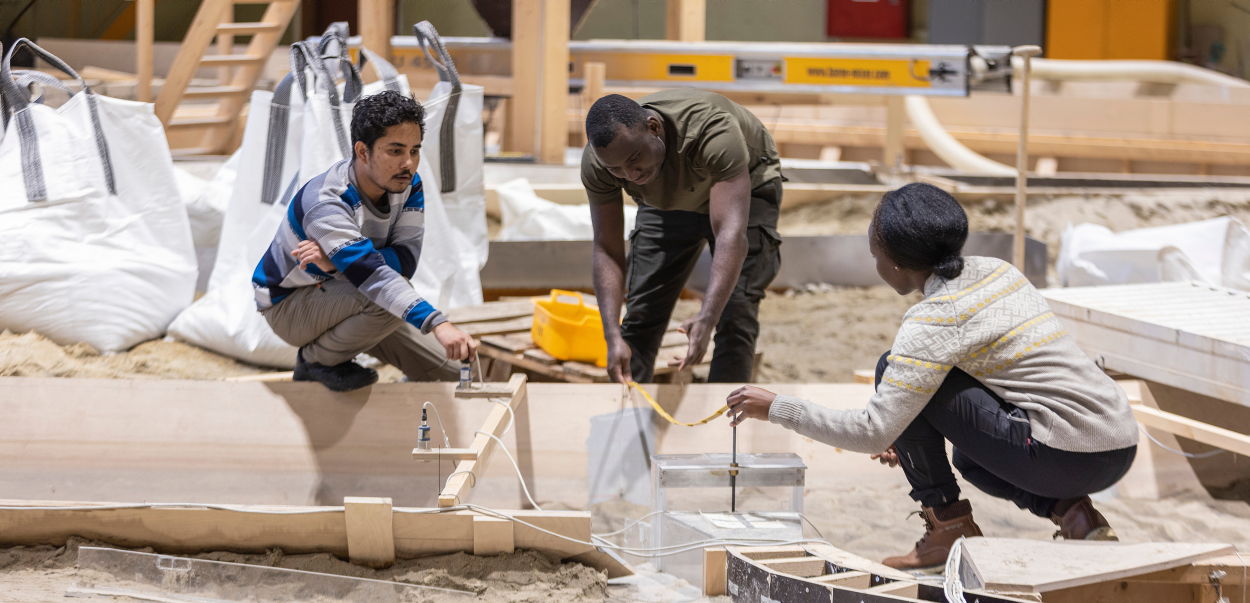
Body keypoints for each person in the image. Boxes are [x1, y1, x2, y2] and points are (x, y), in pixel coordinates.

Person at [724, 183, 1139, 571]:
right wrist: (904, 429)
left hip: (1065, 454)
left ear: (896, 263)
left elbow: (870, 431)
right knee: (969, 461)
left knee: (893, 368)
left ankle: (948, 525)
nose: (876, 263)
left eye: (875, 255)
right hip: (1117, 441)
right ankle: (1078, 517)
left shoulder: (934, 320)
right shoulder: (997, 272)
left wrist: (777, 407)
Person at [252, 90, 476, 391]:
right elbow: (377, 277)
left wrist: (338, 264)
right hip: (289, 305)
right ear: (362, 151)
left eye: (414, 150)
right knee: (388, 299)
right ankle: (316, 362)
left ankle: (350, 347)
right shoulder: (325, 202)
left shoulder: (409, 185)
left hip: (348, 292)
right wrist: (438, 323)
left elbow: (405, 261)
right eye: (395, 151)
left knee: (452, 373)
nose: (408, 163)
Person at [582, 90, 783, 384]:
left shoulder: (711, 130)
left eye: (634, 158)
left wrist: (707, 316)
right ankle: (632, 417)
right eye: (617, 169)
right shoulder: (601, 163)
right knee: (641, 314)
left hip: (743, 186)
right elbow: (606, 248)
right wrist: (611, 335)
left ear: (653, 128)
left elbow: (730, 233)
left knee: (735, 311)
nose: (629, 173)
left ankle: (725, 421)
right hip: (666, 194)